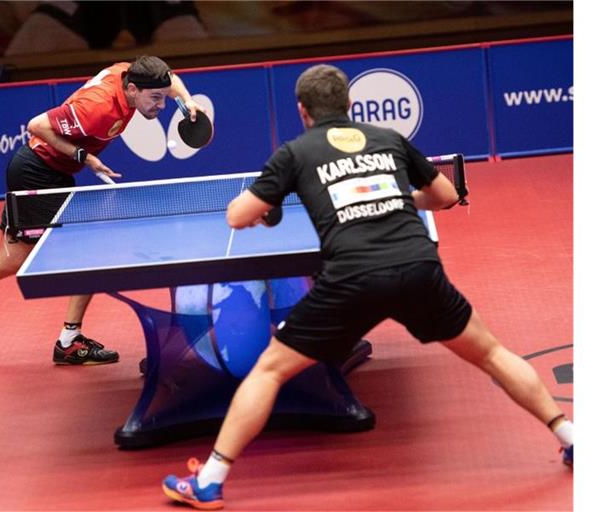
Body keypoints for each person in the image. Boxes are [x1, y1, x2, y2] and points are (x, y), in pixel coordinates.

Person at [161, 64, 573, 510]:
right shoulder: (388, 139)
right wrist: (392, 197)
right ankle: (571, 437)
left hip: (351, 279)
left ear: (303, 111)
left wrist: (256, 207)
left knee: (269, 370)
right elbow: (446, 196)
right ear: (350, 105)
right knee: (492, 353)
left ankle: (210, 482)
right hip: (416, 268)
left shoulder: (295, 152)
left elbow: (237, 217)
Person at [0, 55, 205, 365]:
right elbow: (36, 125)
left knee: (9, 261)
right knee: (89, 258)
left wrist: (186, 101)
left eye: (162, 96)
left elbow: (168, 76)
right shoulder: (98, 107)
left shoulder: (131, 73)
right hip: (37, 173)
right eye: (155, 98)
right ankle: (69, 341)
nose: (161, 104)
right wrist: (83, 156)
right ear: (131, 90)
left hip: (50, 173)